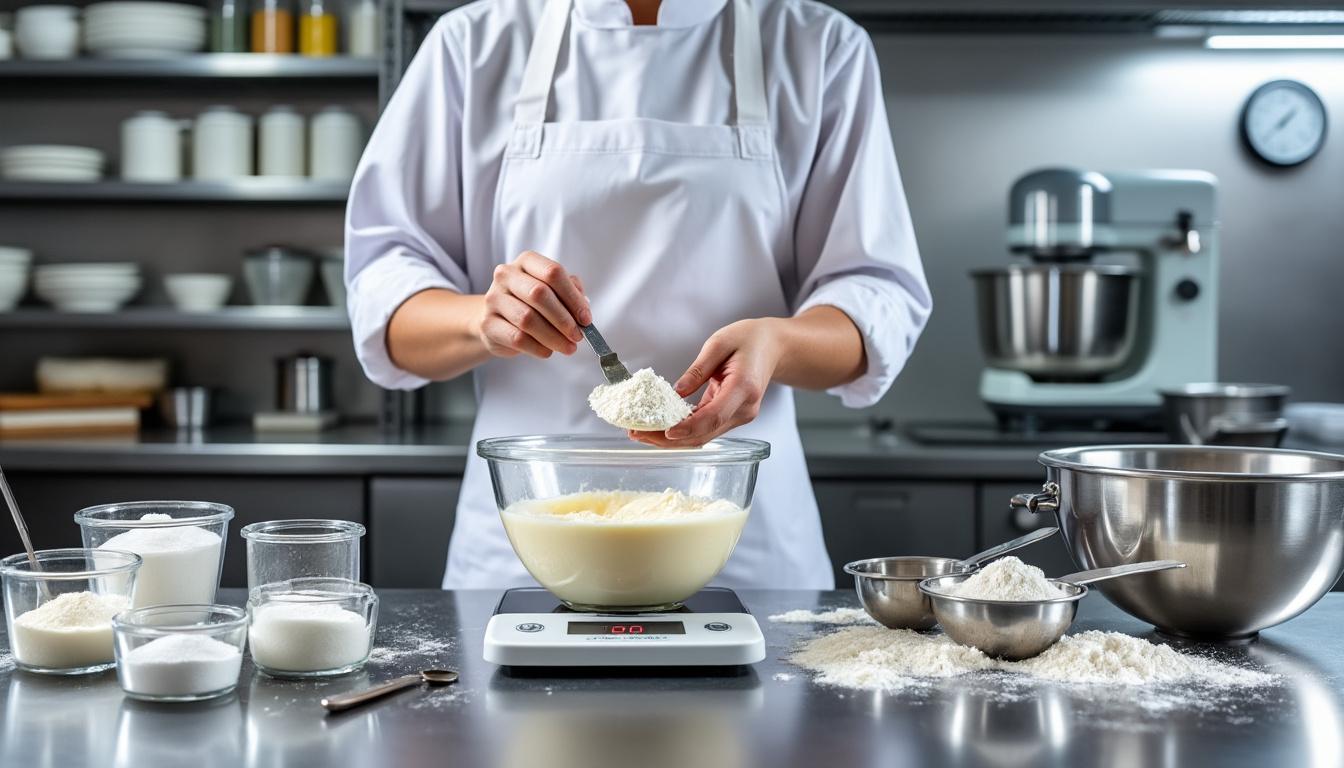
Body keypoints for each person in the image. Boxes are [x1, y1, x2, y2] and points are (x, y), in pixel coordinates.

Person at [345, 0, 931, 591]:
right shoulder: (473, 43)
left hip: (742, 544)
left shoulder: (818, 45)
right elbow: (384, 302)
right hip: (523, 550)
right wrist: (483, 318)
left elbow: (875, 299)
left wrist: (777, 343)